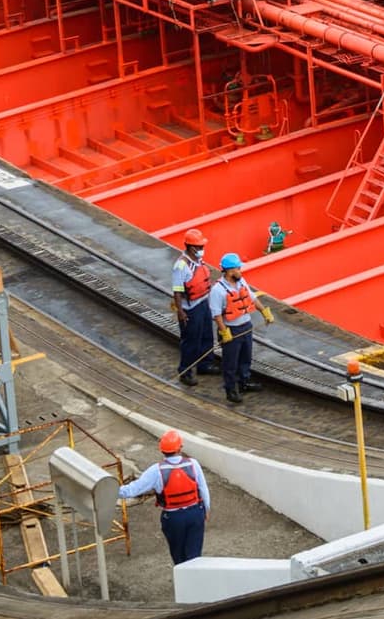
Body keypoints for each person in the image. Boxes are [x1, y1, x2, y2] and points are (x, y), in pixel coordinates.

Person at [119, 429, 209, 565]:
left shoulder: (156, 471)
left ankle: (182, 581)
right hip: (195, 514)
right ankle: (194, 582)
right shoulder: (193, 464)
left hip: (173, 519)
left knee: (178, 557)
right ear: (180, 448)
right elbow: (203, 489)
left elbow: (132, 490)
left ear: (162, 450)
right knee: (194, 556)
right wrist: (205, 510)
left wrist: (110, 490)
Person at [208, 254, 273, 406]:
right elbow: (216, 314)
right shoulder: (218, 290)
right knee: (230, 362)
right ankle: (230, 389)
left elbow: (251, 298)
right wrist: (224, 331)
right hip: (231, 329)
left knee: (245, 356)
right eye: (238, 268)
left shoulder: (241, 282)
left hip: (246, 326)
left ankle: (244, 381)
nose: (240, 271)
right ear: (230, 271)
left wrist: (264, 312)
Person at [169, 229, 217, 386]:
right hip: (190, 309)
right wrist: (181, 312)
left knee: (206, 336)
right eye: (199, 246)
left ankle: (205, 364)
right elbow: (177, 291)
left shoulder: (197, 262)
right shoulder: (181, 266)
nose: (201, 249)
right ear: (189, 247)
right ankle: (185, 371)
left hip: (203, 303)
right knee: (191, 341)